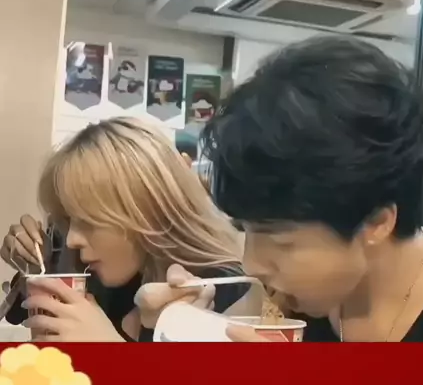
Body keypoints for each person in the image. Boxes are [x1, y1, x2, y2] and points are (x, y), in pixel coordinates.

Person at [146, 36, 423, 343]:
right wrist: (182, 327)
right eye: (245, 229)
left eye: (282, 242)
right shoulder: (282, 297)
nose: (251, 265)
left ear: (376, 222)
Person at [1, 117, 250, 341]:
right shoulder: (105, 272)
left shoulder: (224, 292)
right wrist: (35, 270)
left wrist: (111, 350)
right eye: (69, 219)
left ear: (147, 208)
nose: (71, 240)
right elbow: (20, 319)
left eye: (89, 221)